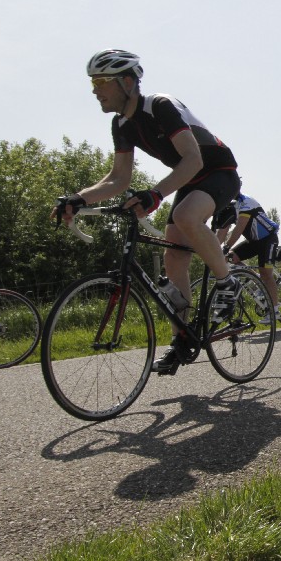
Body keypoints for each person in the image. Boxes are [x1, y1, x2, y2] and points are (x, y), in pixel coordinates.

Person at [53, 49, 241, 376]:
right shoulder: (121, 123)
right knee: (174, 257)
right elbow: (118, 178)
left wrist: (155, 195)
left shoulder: (160, 106)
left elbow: (194, 159)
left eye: (101, 81)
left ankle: (227, 282)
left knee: (185, 216)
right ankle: (181, 340)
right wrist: (79, 199)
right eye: (92, 83)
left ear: (127, 82)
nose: (95, 90)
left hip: (218, 172)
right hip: (189, 180)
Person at [217, 193, 280, 322]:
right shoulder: (228, 209)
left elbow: (239, 229)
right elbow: (222, 233)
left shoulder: (246, 202)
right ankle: (256, 280)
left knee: (266, 274)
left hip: (268, 240)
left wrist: (227, 246)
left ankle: (274, 312)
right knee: (229, 258)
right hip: (253, 242)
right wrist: (212, 248)